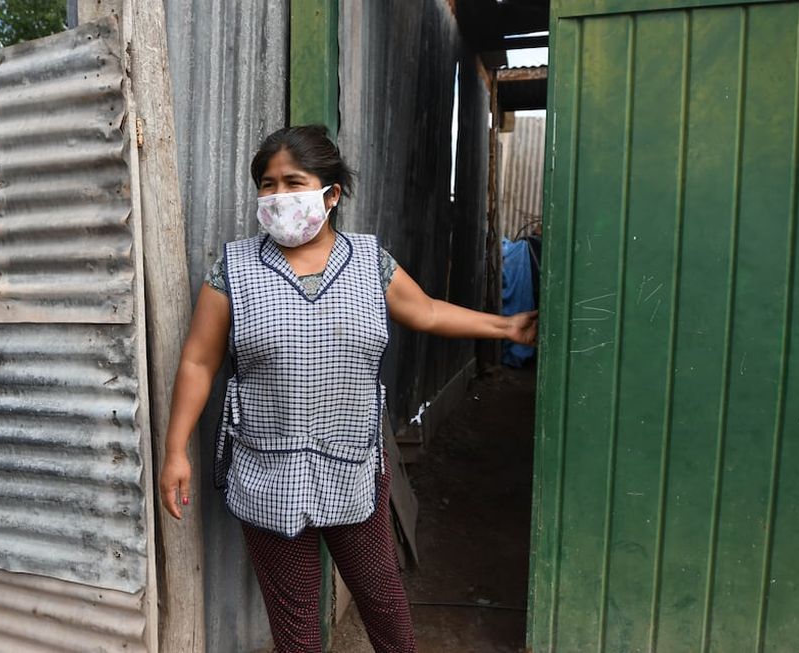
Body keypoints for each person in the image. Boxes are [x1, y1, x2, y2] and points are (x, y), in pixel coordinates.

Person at [159, 125, 538, 653]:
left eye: (294, 182)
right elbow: (199, 361)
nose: (278, 197)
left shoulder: (368, 261)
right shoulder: (235, 268)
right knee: (296, 630)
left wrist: (505, 327)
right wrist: (175, 449)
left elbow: (426, 310)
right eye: (266, 185)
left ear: (330, 194)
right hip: (269, 471)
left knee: (384, 605)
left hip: (354, 466)